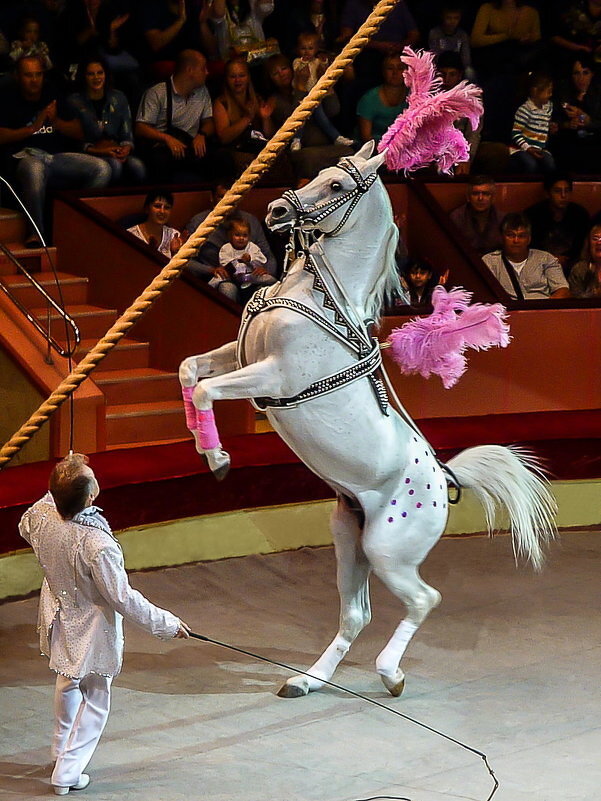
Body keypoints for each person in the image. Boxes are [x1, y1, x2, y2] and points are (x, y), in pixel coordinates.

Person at [18, 452, 190, 796]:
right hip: (91, 624)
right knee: (96, 696)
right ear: (91, 496)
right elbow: (121, 597)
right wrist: (166, 624)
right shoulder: (97, 544)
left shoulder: (40, 515)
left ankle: (59, 753)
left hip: (59, 609)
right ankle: (67, 771)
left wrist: (64, 476)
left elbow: (28, 524)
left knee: (67, 682)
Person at [0, 55, 111, 247]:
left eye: (38, 75)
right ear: (18, 76)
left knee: (102, 168)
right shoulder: (7, 96)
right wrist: (33, 127)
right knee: (35, 169)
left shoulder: (53, 92)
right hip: (25, 156)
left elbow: (78, 131)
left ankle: (72, 223)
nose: (34, 80)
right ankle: (36, 234)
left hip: (55, 157)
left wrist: (56, 122)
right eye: (28, 75)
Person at [185, 178, 277, 300]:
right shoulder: (198, 222)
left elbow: (269, 256)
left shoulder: (251, 221)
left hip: (251, 278)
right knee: (228, 289)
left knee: (270, 286)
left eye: (233, 197)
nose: (228, 201)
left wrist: (265, 270)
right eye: (221, 197)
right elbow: (186, 262)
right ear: (212, 198)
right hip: (219, 280)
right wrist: (211, 270)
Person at [135, 48, 216, 183]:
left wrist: (202, 134)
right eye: (203, 69)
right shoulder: (157, 93)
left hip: (191, 146)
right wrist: (167, 139)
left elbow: (209, 122)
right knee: (159, 161)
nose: (207, 72)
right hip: (165, 148)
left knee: (220, 158)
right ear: (190, 70)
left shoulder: (203, 91)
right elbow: (140, 128)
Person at [68, 57, 145, 184]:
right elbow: (74, 143)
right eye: (90, 74)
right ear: (83, 77)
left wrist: (126, 148)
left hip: (116, 149)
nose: (96, 77)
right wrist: (101, 151)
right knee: (115, 166)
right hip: (89, 153)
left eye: (100, 73)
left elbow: (127, 134)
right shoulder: (74, 102)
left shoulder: (119, 97)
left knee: (138, 166)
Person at [482, 212, 571, 298]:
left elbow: (563, 290)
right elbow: (484, 295)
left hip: (541, 309)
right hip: (508, 311)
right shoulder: (489, 261)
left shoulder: (546, 259)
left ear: (529, 239)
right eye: (510, 235)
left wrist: (544, 310)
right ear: (502, 237)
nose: (516, 240)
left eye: (521, 236)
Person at [290, 31, 353, 150]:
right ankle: (296, 140)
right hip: (302, 95)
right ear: (298, 49)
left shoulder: (316, 61)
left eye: (310, 48)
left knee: (322, 116)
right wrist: (304, 62)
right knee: (300, 117)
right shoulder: (297, 61)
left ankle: (337, 137)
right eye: (303, 48)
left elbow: (324, 68)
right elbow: (298, 68)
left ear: (316, 49)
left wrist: (324, 61)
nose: (307, 51)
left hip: (315, 96)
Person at [525, 173, 590, 275]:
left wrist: (567, 259)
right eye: (557, 191)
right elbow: (530, 246)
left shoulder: (580, 214)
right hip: (539, 265)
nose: (563, 196)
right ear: (547, 193)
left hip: (572, 265)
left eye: (567, 191)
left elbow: (582, 245)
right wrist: (551, 258)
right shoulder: (533, 215)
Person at [213, 56, 271, 168]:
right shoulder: (221, 102)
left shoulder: (257, 99)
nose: (237, 80)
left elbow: (269, 135)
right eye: (233, 76)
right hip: (235, 152)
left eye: (241, 76)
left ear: (248, 77)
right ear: (226, 79)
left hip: (259, 150)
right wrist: (247, 118)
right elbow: (224, 138)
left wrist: (266, 118)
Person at [552, 53, 601, 173]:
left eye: (585, 73)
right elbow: (553, 120)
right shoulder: (563, 92)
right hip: (569, 140)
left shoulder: (598, 93)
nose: (581, 78)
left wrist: (587, 120)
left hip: (594, 139)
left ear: (592, 74)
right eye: (576, 73)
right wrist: (566, 124)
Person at [436, 51, 481, 174]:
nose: (447, 79)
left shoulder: (471, 98)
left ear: (460, 75)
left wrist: (465, 157)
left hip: (462, 146)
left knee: (497, 152)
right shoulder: (429, 95)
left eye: (452, 74)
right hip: (434, 147)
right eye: (443, 74)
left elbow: (473, 133)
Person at [215, 214, 276, 295]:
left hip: (251, 276)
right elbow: (224, 263)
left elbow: (262, 260)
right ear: (230, 236)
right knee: (219, 283)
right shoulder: (226, 248)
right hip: (232, 278)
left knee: (271, 279)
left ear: (249, 236)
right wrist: (238, 261)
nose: (241, 238)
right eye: (237, 235)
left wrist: (250, 259)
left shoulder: (252, 247)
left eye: (245, 235)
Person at [509, 71, 557, 174]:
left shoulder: (548, 108)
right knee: (530, 165)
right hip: (522, 148)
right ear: (535, 91)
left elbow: (544, 125)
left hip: (540, 148)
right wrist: (528, 148)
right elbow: (516, 133)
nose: (550, 95)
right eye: (548, 92)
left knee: (550, 164)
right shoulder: (525, 110)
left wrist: (550, 127)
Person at [356, 53, 409, 144]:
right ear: (383, 71)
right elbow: (366, 138)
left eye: (400, 68)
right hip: (373, 148)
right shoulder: (369, 99)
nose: (395, 73)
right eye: (390, 68)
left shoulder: (413, 95)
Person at [449, 174, 503, 255]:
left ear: (493, 198)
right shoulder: (456, 218)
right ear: (468, 197)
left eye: (485, 194)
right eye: (475, 193)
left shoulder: (502, 219)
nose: (480, 198)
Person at [127, 188, 184, 257]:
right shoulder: (131, 235)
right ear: (147, 208)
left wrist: (175, 253)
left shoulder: (174, 235)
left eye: (167, 207)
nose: (162, 211)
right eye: (157, 206)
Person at [428, 4, 474, 81]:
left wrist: (458, 69)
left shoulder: (462, 35)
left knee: (470, 72)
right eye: (449, 18)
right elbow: (434, 56)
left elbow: (466, 58)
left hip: (457, 66)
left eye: (456, 18)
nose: (452, 21)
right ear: (443, 17)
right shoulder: (435, 33)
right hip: (440, 66)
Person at [569, 222, 601, 296]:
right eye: (595, 238)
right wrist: (595, 293)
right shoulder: (580, 269)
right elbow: (574, 299)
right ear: (589, 244)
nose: (599, 242)